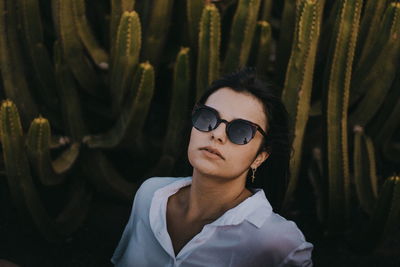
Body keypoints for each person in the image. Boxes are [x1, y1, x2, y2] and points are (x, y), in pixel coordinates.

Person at [111, 68, 313, 266]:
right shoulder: (150, 195)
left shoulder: (276, 241)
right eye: (207, 117)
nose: (217, 134)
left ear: (260, 156)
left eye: (241, 130)